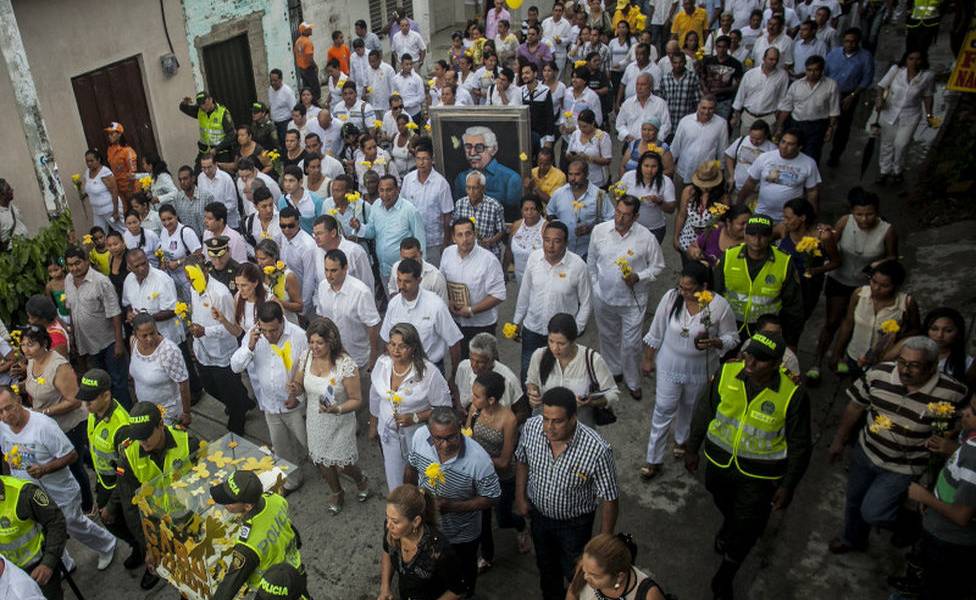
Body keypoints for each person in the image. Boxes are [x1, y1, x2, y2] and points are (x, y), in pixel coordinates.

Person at [685, 331, 812, 599]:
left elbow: (800, 445)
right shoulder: (727, 373)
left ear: (777, 364)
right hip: (720, 464)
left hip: (759, 475)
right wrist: (692, 448)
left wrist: (788, 485)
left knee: (747, 527)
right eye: (749, 356)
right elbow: (705, 410)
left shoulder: (793, 395)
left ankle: (725, 575)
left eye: (761, 361)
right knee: (723, 502)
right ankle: (732, 523)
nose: (751, 364)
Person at [827, 336, 969, 554]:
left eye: (914, 365)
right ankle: (852, 539)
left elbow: (960, 426)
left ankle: (910, 524)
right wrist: (839, 440)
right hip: (867, 453)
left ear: (932, 367)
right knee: (854, 501)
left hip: (904, 467)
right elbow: (855, 407)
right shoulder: (878, 375)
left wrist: (946, 442)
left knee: (874, 512)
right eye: (902, 362)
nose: (904, 370)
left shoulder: (952, 393)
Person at [515, 386, 619, 600]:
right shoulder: (531, 428)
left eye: (557, 421)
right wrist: (520, 496)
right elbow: (522, 459)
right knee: (546, 566)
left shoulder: (597, 449)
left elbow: (609, 498)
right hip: (539, 517)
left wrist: (603, 543)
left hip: (575, 525)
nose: (549, 428)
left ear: (573, 418)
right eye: (546, 419)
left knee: (579, 573)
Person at [0, 388, 118, 573]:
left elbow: (71, 455)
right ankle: (64, 564)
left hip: (59, 491)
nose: (6, 415)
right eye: (0, 412)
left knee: (73, 524)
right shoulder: (2, 426)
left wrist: (44, 469)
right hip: (30, 495)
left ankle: (107, 544)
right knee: (44, 532)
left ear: (18, 400)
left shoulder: (43, 426)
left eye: (9, 408)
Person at [640, 263, 739, 479]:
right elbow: (656, 330)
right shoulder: (671, 298)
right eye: (681, 287)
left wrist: (716, 342)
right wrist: (648, 358)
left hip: (700, 369)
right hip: (670, 364)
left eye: (688, 288)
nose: (683, 292)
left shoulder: (719, 306)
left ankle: (682, 439)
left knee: (691, 407)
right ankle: (653, 458)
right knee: (664, 408)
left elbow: (732, 338)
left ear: (704, 285)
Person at [405, 407, 501, 595]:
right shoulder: (419, 437)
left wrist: (453, 506)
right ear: (429, 432)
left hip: (462, 535)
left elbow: (492, 497)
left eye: (451, 437)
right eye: (438, 438)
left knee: (462, 578)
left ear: (459, 429)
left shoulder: (479, 460)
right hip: (428, 529)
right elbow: (411, 467)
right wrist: (409, 501)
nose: (444, 445)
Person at [809, 187, 896, 381]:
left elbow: (893, 256)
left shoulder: (887, 230)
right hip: (839, 279)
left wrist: (879, 263)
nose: (864, 219)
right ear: (852, 212)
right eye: (859, 214)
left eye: (869, 214)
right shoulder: (845, 222)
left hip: (867, 286)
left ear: (877, 211)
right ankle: (817, 361)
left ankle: (839, 354)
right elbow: (829, 245)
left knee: (853, 322)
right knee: (832, 321)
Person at [587, 196, 665, 400]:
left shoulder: (646, 238)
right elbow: (592, 261)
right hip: (603, 297)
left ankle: (633, 381)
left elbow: (658, 266)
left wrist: (639, 276)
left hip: (633, 301)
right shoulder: (600, 230)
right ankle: (613, 371)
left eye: (626, 215)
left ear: (636, 216)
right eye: (618, 212)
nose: (620, 218)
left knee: (631, 344)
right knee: (607, 337)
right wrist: (596, 286)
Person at [900, 391, 976, 599]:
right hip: (940, 527)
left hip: (949, 539)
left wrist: (925, 497)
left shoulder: (974, 456)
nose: (964, 413)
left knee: (936, 587)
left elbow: (962, 516)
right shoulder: (970, 443)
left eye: (973, 412)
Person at [289, 318, 369, 513]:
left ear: (331, 342)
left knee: (344, 464)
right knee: (322, 460)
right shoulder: (306, 357)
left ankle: (360, 479)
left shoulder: (345, 364)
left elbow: (357, 399)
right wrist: (295, 387)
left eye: (319, 343)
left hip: (340, 420)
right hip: (316, 420)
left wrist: (337, 409)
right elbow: (300, 383)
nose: (314, 347)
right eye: (311, 341)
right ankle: (336, 491)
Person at [76, 369, 145, 579]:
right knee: (113, 522)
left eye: (91, 399)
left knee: (133, 524)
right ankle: (139, 548)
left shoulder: (121, 428)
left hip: (122, 488)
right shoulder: (94, 414)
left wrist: (111, 504)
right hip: (105, 482)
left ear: (106, 395)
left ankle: (148, 554)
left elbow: (126, 473)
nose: (86, 405)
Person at [369, 323, 453, 492]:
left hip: (418, 437)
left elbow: (444, 408)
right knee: (395, 481)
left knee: (424, 480)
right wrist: (373, 424)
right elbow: (375, 395)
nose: (396, 350)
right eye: (392, 344)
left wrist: (415, 417)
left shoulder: (428, 373)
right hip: (389, 436)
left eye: (402, 346)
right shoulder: (383, 364)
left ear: (413, 348)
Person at [20, 326, 93, 513]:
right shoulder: (32, 361)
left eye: (31, 344)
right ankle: (97, 463)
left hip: (69, 423)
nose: (26, 349)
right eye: (23, 344)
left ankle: (87, 506)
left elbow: (75, 401)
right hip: (50, 424)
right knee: (79, 453)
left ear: (44, 344)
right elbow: (35, 385)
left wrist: (43, 412)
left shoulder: (59, 367)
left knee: (73, 464)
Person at [208, 470, 304, 600]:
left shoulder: (248, 546)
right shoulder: (275, 499)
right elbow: (288, 526)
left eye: (229, 502)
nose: (225, 504)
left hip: (271, 590)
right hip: (296, 570)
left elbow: (229, 586)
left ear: (247, 506)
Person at [712, 214, 804, 345]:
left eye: (763, 235)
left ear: (771, 236)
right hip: (729, 327)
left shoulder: (784, 262)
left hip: (765, 331)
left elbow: (794, 306)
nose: (757, 240)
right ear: (745, 234)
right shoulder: (729, 256)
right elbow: (715, 294)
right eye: (752, 234)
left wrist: (791, 341)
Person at [184, 257, 249, 434]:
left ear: (205, 271)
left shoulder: (220, 294)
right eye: (188, 278)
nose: (190, 281)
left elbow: (231, 327)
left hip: (222, 353)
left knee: (231, 394)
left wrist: (206, 331)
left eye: (193, 277)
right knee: (210, 388)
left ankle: (238, 421)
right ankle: (244, 399)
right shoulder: (193, 288)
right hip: (203, 351)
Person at [63, 246, 131, 408]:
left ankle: (125, 415)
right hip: (87, 344)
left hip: (109, 342)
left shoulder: (101, 281)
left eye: (77, 263)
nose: (74, 268)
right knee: (100, 384)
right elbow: (72, 310)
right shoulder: (68, 280)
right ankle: (108, 414)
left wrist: (119, 343)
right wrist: (73, 339)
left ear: (87, 261)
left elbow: (115, 313)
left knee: (118, 383)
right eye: (70, 265)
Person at [829, 259, 921, 373]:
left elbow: (916, 330)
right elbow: (848, 323)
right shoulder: (859, 294)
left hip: (884, 361)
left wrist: (897, 335)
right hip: (855, 354)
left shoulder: (906, 303)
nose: (876, 288)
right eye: (873, 281)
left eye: (884, 286)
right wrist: (837, 352)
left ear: (896, 286)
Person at [377, 484, 465, 600]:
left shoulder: (439, 551)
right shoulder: (392, 531)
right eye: (387, 517)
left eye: (395, 521)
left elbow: (457, 591)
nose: (388, 525)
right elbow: (387, 551)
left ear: (415, 522)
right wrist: (385, 587)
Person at [382, 258, 462, 380]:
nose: (402, 286)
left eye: (407, 281)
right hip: (401, 368)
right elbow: (386, 339)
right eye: (399, 280)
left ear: (419, 280)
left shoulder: (436, 306)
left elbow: (454, 341)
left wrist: (455, 376)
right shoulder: (393, 304)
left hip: (431, 369)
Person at [440, 218, 507, 354]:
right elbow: (442, 282)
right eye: (460, 235)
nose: (465, 239)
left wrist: (471, 310)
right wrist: (449, 302)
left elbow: (499, 294)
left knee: (485, 365)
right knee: (462, 365)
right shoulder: (447, 254)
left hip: (481, 325)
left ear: (474, 234)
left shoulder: (489, 260)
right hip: (455, 322)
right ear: (453, 238)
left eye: (468, 233)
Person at [0, 471, 68, 600]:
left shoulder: (24, 493)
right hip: (6, 573)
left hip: (37, 568)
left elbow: (55, 522)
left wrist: (48, 562)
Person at [773, 197, 839, 323]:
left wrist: (816, 270)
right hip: (783, 287)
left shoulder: (822, 236)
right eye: (784, 217)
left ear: (802, 218)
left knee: (796, 324)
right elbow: (762, 242)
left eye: (788, 218)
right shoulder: (783, 229)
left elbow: (836, 262)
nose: (785, 221)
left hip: (807, 290)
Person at [875, 49, 935, 185]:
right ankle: (884, 171)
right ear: (906, 59)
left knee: (901, 144)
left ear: (923, 60)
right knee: (887, 144)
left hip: (911, 115)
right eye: (911, 58)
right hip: (890, 111)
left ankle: (898, 170)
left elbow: (928, 96)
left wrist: (930, 115)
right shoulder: (896, 70)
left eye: (917, 59)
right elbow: (881, 86)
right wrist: (879, 99)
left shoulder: (927, 76)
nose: (914, 62)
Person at [316, 248, 381, 373]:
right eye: (326, 270)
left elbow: (372, 325)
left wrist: (373, 357)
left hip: (358, 358)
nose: (329, 275)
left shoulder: (361, 292)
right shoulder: (322, 287)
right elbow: (322, 318)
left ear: (345, 268)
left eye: (334, 270)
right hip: (332, 357)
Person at [736, 129, 821, 221]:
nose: (784, 146)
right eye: (783, 142)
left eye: (790, 144)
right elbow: (750, 182)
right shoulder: (765, 157)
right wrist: (739, 204)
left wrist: (813, 217)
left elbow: (812, 192)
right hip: (761, 213)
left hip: (790, 219)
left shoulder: (809, 163)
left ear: (799, 147)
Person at [883, 307, 976, 389]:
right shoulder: (909, 344)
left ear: (958, 333)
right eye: (934, 329)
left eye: (948, 331)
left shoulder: (967, 363)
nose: (940, 335)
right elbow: (883, 364)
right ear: (927, 329)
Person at [128, 313, 191, 427]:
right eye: (144, 335)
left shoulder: (169, 351)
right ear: (136, 335)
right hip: (146, 410)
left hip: (168, 413)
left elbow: (183, 382)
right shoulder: (133, 342)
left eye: (152, 333)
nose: (150, 338)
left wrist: (186, 412)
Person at [775, 55, 840, 164]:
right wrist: (780, 127)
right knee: (791, 153)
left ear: (821, 70)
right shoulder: (796, 85)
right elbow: (787, 107)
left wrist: (830, 128)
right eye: (809, 70)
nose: (812, 73)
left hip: (817, 126)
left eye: (816, 70)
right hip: (797, 124)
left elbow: (834, 110)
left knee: (811, 156)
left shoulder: (831, 85)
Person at [824, 28, 874, 167]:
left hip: (849, 95)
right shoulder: (834, 54)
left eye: (853, 42)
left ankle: (835, 156)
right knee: (823, 122)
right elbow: (826, 73)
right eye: (847, 41)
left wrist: (853, 95)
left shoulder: (865, 57)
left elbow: (867, 79)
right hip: (830, 92)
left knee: (843, 127)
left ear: (858, 42)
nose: (849, 45)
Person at [568, 532, 671, 600]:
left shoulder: (649, 595)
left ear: (619, 576)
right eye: (584, 570)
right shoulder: (588, 566)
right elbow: (572, 594)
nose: (585, 577)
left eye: (595, 576)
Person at [546, 160, 614, 260]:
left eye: (577, 174)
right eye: (570, 174)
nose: (573, 178)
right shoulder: (559, 193)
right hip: (563, 252)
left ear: (586, 174)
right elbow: (550, 212)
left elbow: (611, 220)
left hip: (588, 252)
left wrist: (592, 227)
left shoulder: (599, 196)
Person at [453, 126, 522, 221]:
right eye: (468, 147)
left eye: (479, 147)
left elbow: (514, 217)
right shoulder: (461, 178)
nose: (472, 153)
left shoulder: (511, 179)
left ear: (493, 149)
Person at [400, 143, 454, 266]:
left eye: (425, 159)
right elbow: (402, 206)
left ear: (432, 160)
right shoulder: (408, 179)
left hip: (433, 241)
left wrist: (446, 243)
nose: (421, 163)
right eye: (418, 159)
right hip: (412, 239)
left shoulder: (441, 184)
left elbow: (447, 216)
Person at [454, 333, 522, 413]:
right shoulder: (463, 367)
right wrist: (459, 406)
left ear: (491, 360)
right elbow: (456, 386)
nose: (473, 365)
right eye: (471, 359)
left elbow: (521, 411)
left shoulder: (508, 379)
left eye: (480, 362)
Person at [672, 161, 727, 259]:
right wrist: (676, 237)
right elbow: (682, 215)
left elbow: (724, 223)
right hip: (687, 239)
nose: (705, 187)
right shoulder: (689, 192)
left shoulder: (723, 199)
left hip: (709, 242)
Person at [730, 48, 789, 138]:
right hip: (748, 117)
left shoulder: (782, 76)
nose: (773, 62)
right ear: (764, 58)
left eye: (776, 60)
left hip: (768, 118)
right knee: (745, 143)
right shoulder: (750, 74)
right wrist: (735, 115)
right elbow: (740, 96)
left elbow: (782, 98)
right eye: (771, 59)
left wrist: (778, 121)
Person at [453, 171, 507, 262]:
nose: (471, 192)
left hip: (488, 253)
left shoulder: (494, 206)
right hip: (466, 253)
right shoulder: (460, 204)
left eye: (475, 188)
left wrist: (491, 241)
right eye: (468, 188)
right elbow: (454, 227)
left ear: (483, 189)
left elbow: (501, 230)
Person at [386, 238, 449, 303]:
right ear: (400, 256)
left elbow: (443, 305)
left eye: (413, 258)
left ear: (420, 254)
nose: (409, 262)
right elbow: (392, 288)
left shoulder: (435, 277)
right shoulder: (395, 268)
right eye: (405, 259)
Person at [179, 91, 235, 163]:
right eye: (200, 105)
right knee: (198, 173)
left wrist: (216, 149)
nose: (202, 107)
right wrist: (184, 103)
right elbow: (184, 109)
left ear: (210, 99)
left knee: (221, 173)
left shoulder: (223, 113)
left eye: (204, 103)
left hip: (221, 151)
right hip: (204, 151)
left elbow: (231, 134)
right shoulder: (199, 111)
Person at [724, 120, 776, 196]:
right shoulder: (742, 140)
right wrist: (732, 175)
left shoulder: (772, 149)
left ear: (766, 135)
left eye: (758, 139)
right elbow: (729, 156)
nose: (754, 142)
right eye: (752, 138)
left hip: (756, 193)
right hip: (736, 188)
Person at [81, 148, 123, 233]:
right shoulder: (87, 172)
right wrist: (84, 195)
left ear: (98, 160)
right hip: (97, 211)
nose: (89, 163)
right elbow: (91, 189)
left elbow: (114, 191)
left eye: (91, 161)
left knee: (121, 230)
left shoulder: (105, 172)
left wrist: (115, 211)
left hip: (110, 209)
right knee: (99, 234)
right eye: (87, 161)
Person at [507, 196, 546, 284]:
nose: (529, 212)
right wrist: (504, 270)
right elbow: (509, 250)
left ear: (540, 210)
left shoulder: (546, 228)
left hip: (540, 277)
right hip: (520, 276)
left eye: (533, 209)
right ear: (521, 211)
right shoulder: (516, 225)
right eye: (526, 209)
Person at [198, 153, 242, 230]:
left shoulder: (226, 179)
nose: (206, 171)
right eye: (204, 168)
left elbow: (232, 204)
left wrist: (216, 215)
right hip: (211, 225)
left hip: (229, 225)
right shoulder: (200, 177)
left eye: (209, 167)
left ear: (215, 164)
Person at [103, 122, 137, 210]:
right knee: (125, 213)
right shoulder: (110, 150)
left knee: (135, 210)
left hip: (130, 188)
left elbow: (132, 171)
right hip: (118, 189)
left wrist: (130, 189)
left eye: (112, 133)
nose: (109, 136)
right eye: (108, 134)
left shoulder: (127, 151)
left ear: (119, 134)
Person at [172, 165, 209, 239]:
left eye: (185, 179)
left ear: (193, 179)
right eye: (180, 180)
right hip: (187, 239)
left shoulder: (206, 197)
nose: (182, 182)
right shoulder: (177, 198)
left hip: (205, 238)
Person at [269, 69, 297, 146]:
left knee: (286, 144)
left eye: (275, 80)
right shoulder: (270, 89)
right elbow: (271, 104)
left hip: (285, 123)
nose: (272, 83)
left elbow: (294, 110)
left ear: (281, 80)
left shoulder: (287, 92)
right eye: (271, 80)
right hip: (274, 123)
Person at [294, 22, 320, 102]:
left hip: (301, 69)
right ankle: (316, 103)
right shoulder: (307, 42)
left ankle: (307, 103)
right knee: (315, 89)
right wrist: (315, 66)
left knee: (306, 88)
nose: (311, 29)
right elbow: (309, 58)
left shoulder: (298, 41)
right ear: (304, 31)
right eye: (308, 29)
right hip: (308, 68)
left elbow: (296, 54)